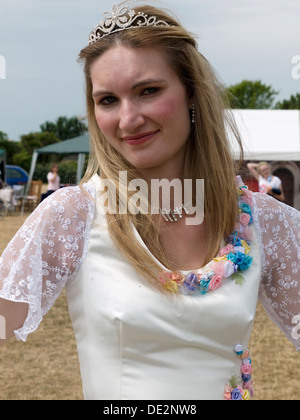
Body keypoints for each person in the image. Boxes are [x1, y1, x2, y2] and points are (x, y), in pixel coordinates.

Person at [0, 2, 299, 401]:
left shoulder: (264, 221)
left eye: (148, 91)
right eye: (107, 100)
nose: (128, 119)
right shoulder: (74, 216)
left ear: (191, 91)